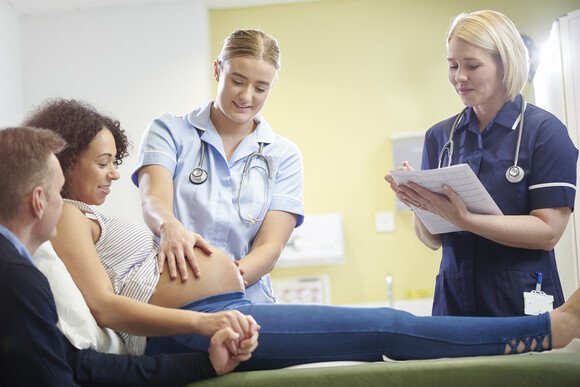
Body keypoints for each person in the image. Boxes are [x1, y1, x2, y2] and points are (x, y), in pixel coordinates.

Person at [24, 98, 580, 372]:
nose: (113, 173)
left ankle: (541, 329)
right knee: (384, 329)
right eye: (102, 162)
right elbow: (104, 309)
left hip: (224, 305)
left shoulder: (77, 214)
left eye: (115, 161)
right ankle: (545, 330)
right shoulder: (67, 217)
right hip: (200, 326)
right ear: (65, 159)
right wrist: (206, 320)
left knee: (386, 329)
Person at [0, 126, 256, 386]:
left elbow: (76, 364)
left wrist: (206, 364)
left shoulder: (17, 271)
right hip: (190, 321)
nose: (62, 202)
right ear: (38, 201)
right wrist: (201, 322)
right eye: (58, 191)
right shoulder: (17, 277)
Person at [385, 10, 578, 317]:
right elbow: (432, 240)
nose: (459, 76)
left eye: (472, 65)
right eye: (453, 65)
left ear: (505, 64)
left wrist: (464, 218)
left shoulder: (544, 132)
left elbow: (548, 232)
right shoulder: (441, 137)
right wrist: (418, 202)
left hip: (521, 301)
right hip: (455, 303)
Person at [132, 29, 304, 303]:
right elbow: (153, 201)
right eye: (237, 81)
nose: (246, 96)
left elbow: (270, 248)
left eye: (261, 88)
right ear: (217, 71)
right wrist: (170, 227)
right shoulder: (169, 131)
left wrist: (222, 282)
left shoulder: (284, 155)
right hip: (175, 291)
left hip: (247, 295)